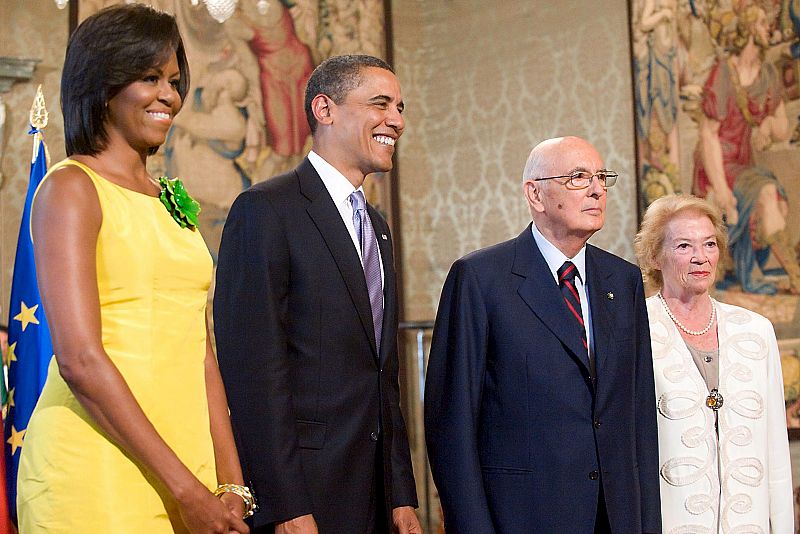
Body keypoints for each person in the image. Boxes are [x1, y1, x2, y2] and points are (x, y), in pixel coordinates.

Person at [17, 5, 250, 533]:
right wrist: (186, 492)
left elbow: (201, 351)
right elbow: (79, 359)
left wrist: (230, 482)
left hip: (188, 471)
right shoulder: (72, 188)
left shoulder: (172, 199)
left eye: (173, 80)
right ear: (102, 84)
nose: (169, 95)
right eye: (149, 78)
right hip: (96, 471)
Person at [213, 54, 421, 533]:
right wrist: (283, 504)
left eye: (400, 107)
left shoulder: (378, 227)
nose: (397, 120)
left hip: (376, 497)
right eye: (381, 104)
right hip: (304, 495)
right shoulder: (265, 209)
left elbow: (381, 376)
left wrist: (402, 493)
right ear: (325, 110)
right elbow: (254, 374)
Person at [425, 136, 661, 534]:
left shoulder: (623, 280)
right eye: (578, 177)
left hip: (615, 517)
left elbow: (638, 417)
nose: (597, 189)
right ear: (535, 194)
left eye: (602, 177)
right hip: (521, 517)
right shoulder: (480, 280)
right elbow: (452, 425)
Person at [634, 194, 793, 532]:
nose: (699, 258)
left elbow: (776, 448)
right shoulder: (634, 330)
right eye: (683, 246)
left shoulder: (755, 331)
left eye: (709, 244)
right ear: (655, 256)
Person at [694, 4, 800, 294]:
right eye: (765, 24)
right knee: (767, 193)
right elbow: (708, 136)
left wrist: (767, 126)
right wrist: (723, 191)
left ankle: (777, 275)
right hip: (716, 163)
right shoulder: (724, 72)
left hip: (743, 162)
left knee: (777, 202)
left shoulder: (767, 74)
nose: (770, 29)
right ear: (751, 28)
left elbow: (782, 128)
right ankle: (795, 275)